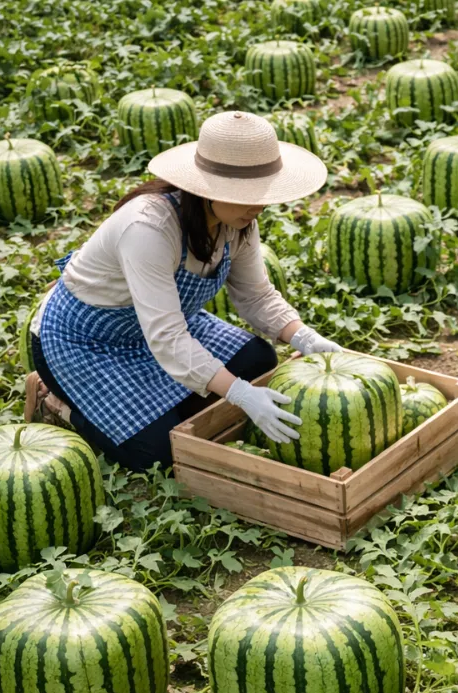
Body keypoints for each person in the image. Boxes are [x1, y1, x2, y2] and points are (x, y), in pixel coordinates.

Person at [23, 111, 339, 471]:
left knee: (259, 361)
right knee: (156, 453)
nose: (260, 204)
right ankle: (56, 402)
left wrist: (306, 339)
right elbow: (168, 338)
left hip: (159, 327)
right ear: (207, 188)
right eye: (246, 193)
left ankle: (160, 401)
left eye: (263, 191)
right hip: (87, 341)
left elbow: (255, 295)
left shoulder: (239, 222)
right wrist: (239, 393)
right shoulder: (149, 229)